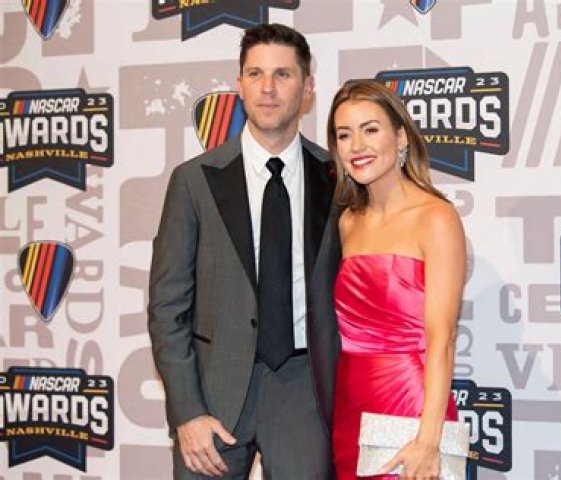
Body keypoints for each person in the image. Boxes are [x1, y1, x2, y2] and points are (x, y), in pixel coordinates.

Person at [148, 23, 340, 479]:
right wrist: (187, 412)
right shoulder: (194, 180)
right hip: (213, 389)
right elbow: (167, 306)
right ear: (240, 84)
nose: (267, 88)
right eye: (255, 74)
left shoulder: (337, 179)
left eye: (283, 74)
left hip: (303, 389)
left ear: (308, 87)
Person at [327, 80, 466, 479]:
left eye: (370, 129)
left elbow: (442, 339)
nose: (357, 146)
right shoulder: (348, 222)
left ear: (401, 137)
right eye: (344, 135)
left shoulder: (436, 218)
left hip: (410, 402)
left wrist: (429, 439)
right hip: (350, 405)